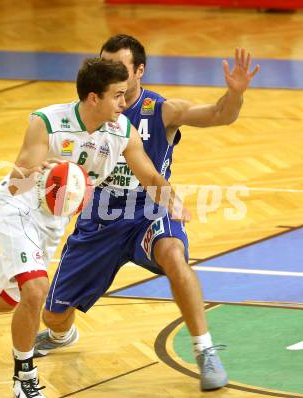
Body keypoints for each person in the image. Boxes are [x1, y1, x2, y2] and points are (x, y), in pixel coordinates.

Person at [0, 57, 188, 398]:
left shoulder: (121, 132)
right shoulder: (48, 121)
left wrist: (171, 199)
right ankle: (24, 378)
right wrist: (43, 170)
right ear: (93, 97)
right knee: (36, 289)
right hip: (19, 210)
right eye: (117, 96)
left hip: (53, 221)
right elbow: (15, 183)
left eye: (125, 96)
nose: (124, 103)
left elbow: (151, 176)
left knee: (9, 297)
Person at [34, 35, 260, 391]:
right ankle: (62, 334)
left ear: (139, 71)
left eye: (120, 68)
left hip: (149, 210)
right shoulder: (92, 108)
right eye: (105, 65)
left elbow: (219, 114)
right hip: (100, 218)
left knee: (173, 253)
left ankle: (204, 350)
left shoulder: (161, 110)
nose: (111, 74)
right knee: (53, 316)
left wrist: (235, 93)